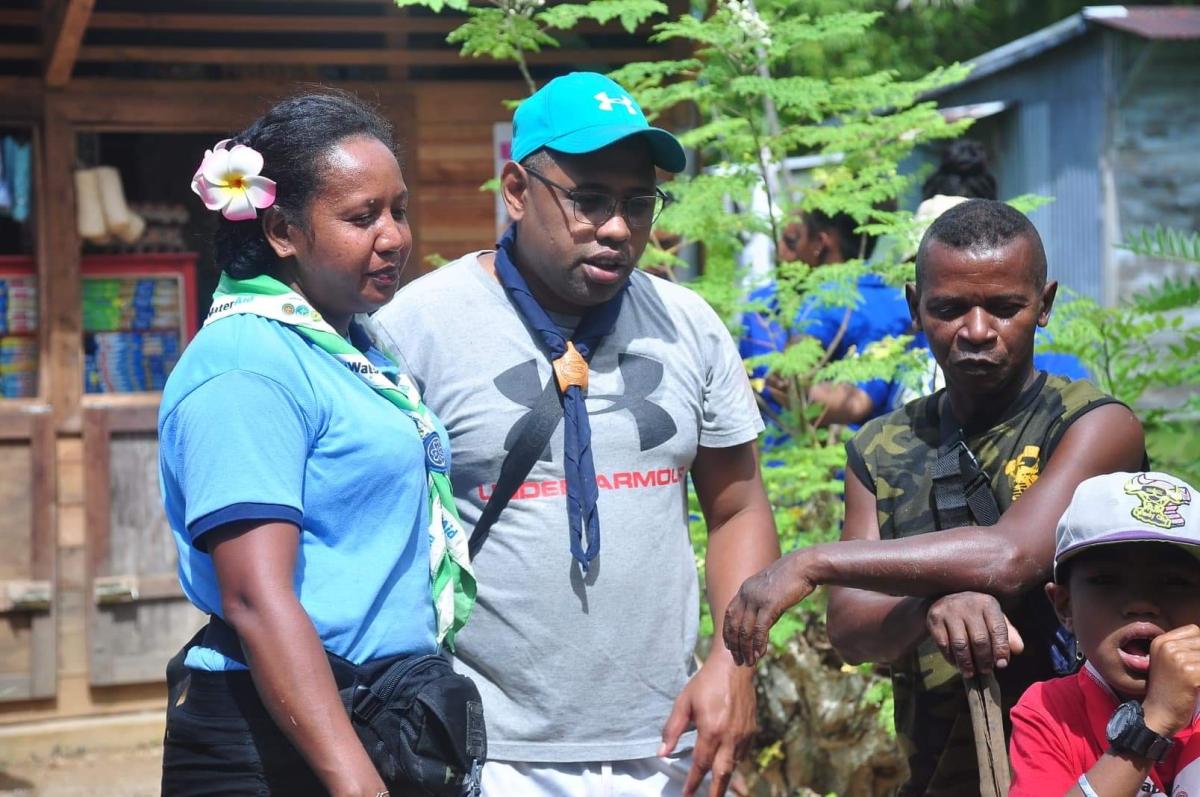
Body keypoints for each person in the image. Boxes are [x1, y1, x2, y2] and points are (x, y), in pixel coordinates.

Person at [372, 72, 780, 797]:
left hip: (668, 743)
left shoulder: (688, 327)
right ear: (517, 191)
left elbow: (738, 508)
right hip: (485, 748)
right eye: (588, 199)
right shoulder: (420, 329)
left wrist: (732, 663)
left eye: (639, 202)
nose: (619, 227)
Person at [722, 199, 1147, 796]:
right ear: (913, 307)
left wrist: (809, 560)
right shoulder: (880, 448)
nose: (976, 331)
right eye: (949, 309)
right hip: (937, 772)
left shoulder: (1093, 426)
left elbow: (1012, 557)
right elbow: (851, 629)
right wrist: (931, 609)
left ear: (1044, 305)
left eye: (1004, 308)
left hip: (1095, 767)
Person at [158, 92, 474, 796]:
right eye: (362, 217)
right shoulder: (247, 363)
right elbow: (254, 595)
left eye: (399, 209)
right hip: (284, 745)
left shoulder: (353, 345)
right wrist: (355, 782)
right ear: (280, 230)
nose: (393, 236)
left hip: (374, 717)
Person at [1008, 471, 1200, 797]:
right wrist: (1152, 724)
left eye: (1174, 582)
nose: (1141, 603)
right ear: (1064, 606)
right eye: (1107, 581)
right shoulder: (1048, 711)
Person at [740, 209, 911, 430]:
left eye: (791, 242)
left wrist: (788, 383)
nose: (779, 251)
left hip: (805, 455)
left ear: (820, 243)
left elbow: (789, 377)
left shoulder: (826, 298)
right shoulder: (900, 301)